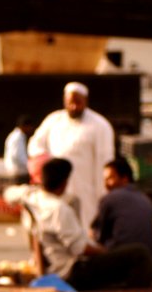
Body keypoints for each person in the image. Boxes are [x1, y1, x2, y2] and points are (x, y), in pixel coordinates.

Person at [29, 158, 152, 291]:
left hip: (63, 268)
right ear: (64, 182)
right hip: (72, 271)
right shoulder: (59, 208)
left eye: (110, 178)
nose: (106, 184)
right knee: (140, 254)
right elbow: (80, 248)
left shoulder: (36, 201)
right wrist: (104, 251)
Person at [27, 81, 115, 230]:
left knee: (86, 226)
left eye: (78, 103)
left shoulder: (100, 125)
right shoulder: (54, 120)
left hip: (86, 190)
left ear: (85, 101)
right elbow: (35, 145)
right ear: (64, 101)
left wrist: (103, 193)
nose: (74, 107)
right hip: (57, 187)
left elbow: (105, 161)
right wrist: (45, 164)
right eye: (70, 103)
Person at [91, 157, 152, 257]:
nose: (106, 184)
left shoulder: (109, 199)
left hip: (120, 261)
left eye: (110, 178)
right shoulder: (145, 199)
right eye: (105, 180)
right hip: (146, 261)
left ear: (125, 179)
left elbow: (99, 235)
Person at [3, 114, 36, 184]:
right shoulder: (18, 137)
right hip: (19, 173)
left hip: (16, 172)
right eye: (30, 127)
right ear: (25, 126)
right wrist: (31, 167)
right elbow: (19, 156)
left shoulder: (15, 136)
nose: (31, 129)